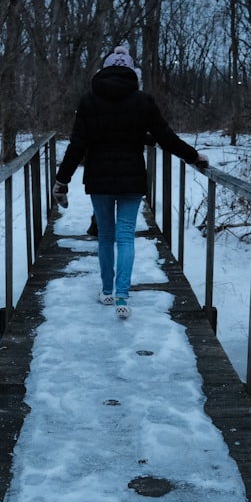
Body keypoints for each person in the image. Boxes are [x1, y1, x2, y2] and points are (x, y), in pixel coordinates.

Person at [52, 45, 209, 319]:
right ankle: (122, 295)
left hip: (99, 179)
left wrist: (62, 181)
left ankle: (107, 290)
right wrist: (192, 156)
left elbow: (77, 145)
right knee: (125, 237)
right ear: (132, 72)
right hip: (132, 179)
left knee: (106, 237)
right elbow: (165, 137)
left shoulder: (89, 101)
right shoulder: (142, 101)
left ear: (104, 70)